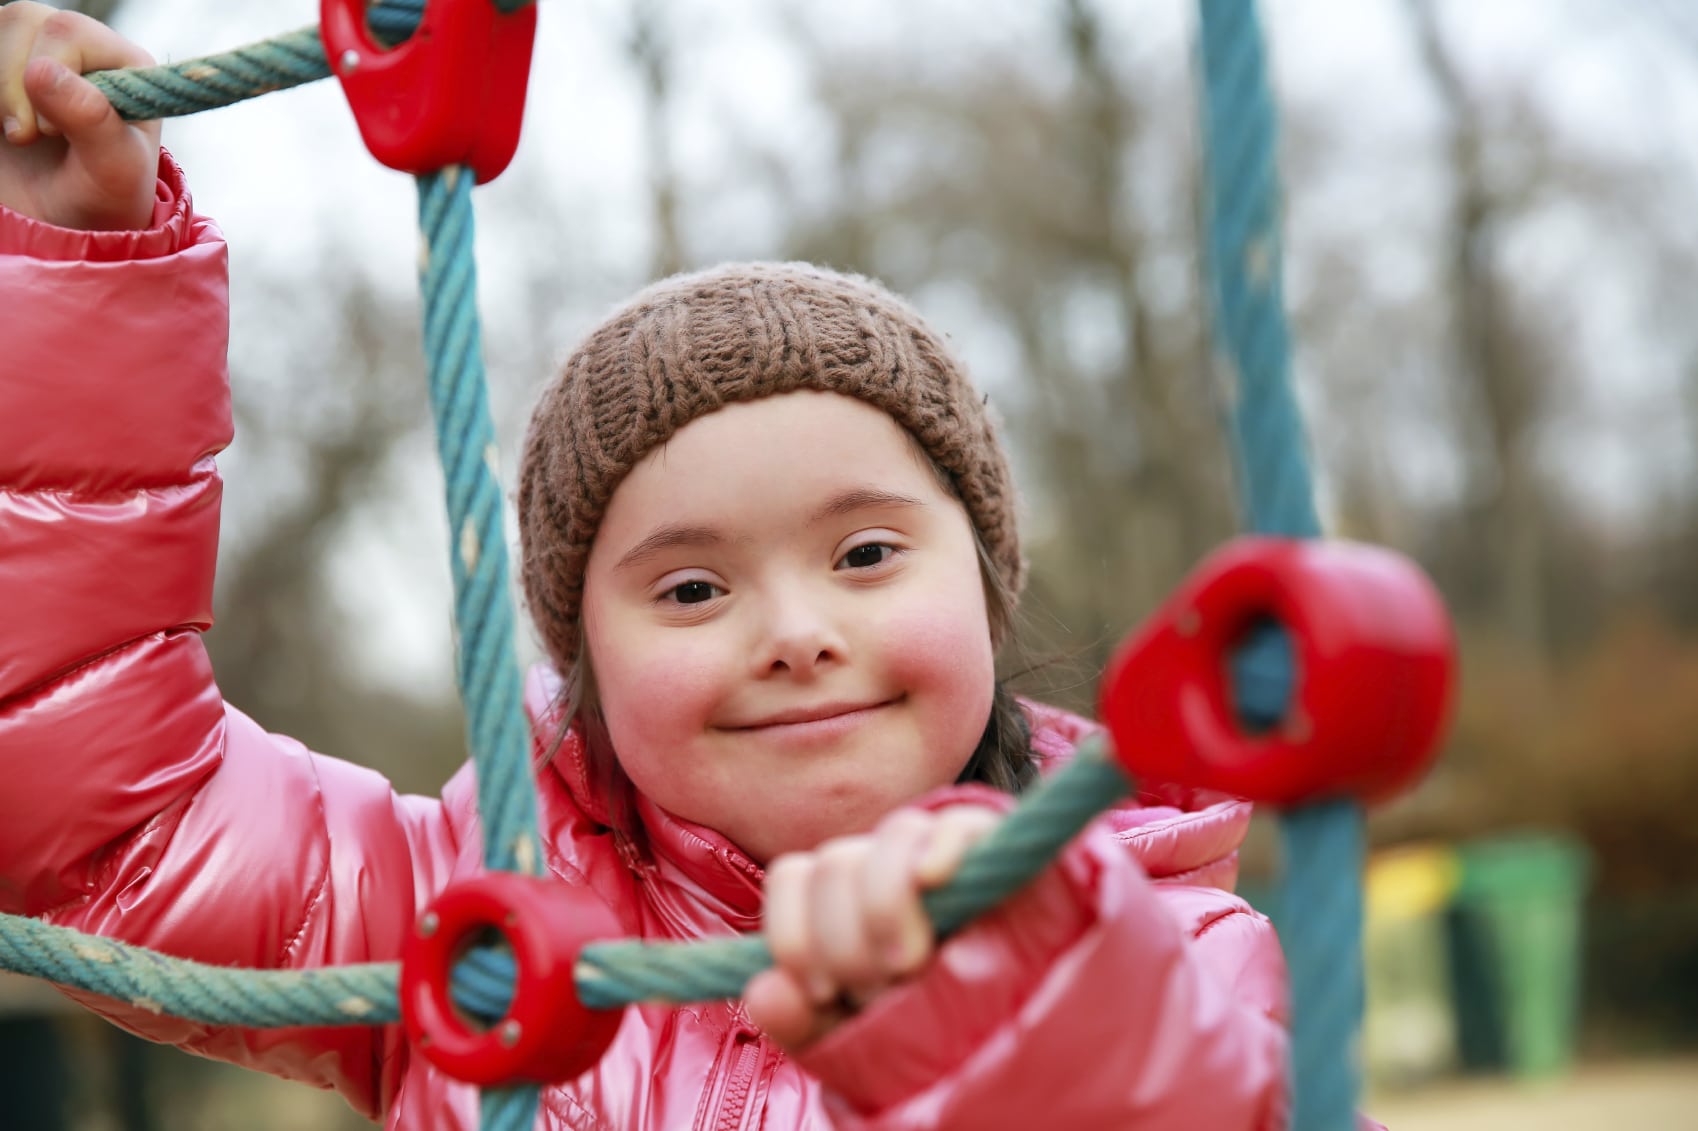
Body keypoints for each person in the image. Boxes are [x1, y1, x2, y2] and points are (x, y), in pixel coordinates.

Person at [0, 6, 1292, 1128]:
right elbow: (100, 806)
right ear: (587, 662)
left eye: (863, 553)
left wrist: (1057, 1026)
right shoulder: (465, 911)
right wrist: (67, 260)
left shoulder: (1165, 951)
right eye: (689, 588)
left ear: (985, 582)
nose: (794, 630)